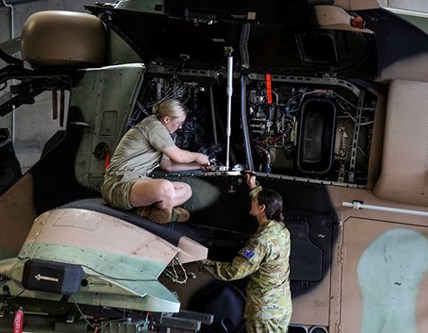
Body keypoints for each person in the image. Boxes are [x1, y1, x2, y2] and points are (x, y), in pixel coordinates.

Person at [198, 172, 292, 333]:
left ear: (262, 208)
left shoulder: (261, 241)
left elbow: (235, 271)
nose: (252, 203)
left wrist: (200, 264)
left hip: (264, 312)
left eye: (254, 201)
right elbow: (266, 204)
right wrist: (254, 188)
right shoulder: (280, 229)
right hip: (280, 306)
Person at [101, 99, 210, 223]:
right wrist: (198, 156)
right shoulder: (153, 126)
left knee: (186, 190)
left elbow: (168, 165)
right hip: (119, 184)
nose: (180, 127)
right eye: (179, 123)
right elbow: (178, 156)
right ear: (167, 119)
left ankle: (147, 211)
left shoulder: (162, 133)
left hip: (138, 181)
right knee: (165, 187)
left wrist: (198, 166)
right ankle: (168, 215)